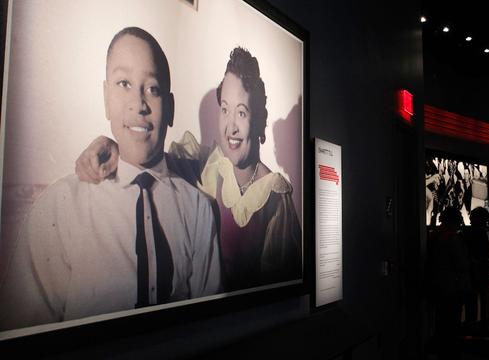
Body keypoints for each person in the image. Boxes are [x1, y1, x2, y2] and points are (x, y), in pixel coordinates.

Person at [0, 27, 222, 330]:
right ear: (106, 98)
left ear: (169, 107)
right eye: (124, 84)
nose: (139, 104)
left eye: (153, 89)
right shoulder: (60, 206)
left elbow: (209, 326)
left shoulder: (197, 208)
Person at [75, 47, 302, 292]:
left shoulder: (275, 198)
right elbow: (147, 160)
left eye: (242, 112)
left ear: (259, 119)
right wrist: (111, 146)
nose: (231, 127)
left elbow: (279, 296)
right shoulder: (207, 165)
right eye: (224, 110)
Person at [430, 207, 471, 359]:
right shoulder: (452, 239)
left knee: (441, 322)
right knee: (452, 323)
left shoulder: (435, 236)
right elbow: (461, 264)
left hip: (439, 287)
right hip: (453, 288)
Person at [462, 207, 489, 329]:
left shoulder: (473, 233)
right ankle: (482, 326)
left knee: (471, 302)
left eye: (472, 216)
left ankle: (473, 326)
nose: (470, 218)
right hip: (484, 271)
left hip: (474, 273)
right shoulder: (488, 232)